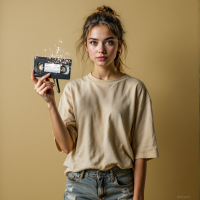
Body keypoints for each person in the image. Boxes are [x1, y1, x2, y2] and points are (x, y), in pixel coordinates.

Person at [31, 5, 159, 200]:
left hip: (121, 184)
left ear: (119, 45)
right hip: (80, 185)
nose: (101, 49)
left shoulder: (135, 88)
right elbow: (66, 146)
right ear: (86, 46)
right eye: (94, 42)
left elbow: (141, 148)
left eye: (109, 42)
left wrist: (138, 196)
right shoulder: (73, 89)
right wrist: (50, 104)